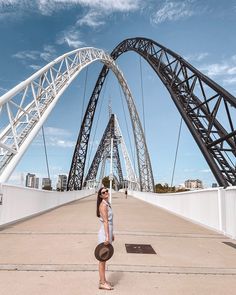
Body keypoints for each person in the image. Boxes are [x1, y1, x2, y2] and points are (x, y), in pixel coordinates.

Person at [96, 187, 114, 290]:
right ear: (100, 195)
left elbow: (110, 222)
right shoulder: (103, 205)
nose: (106, 192)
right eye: (103, 192)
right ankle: (102, 283)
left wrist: (112, 233)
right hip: (104, 234)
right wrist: (107, 236)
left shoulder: (107, 204)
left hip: (108, 232)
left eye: (107, 190)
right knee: (102, 259)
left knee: (105, 258)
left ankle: (103, 280)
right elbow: (106, 222)